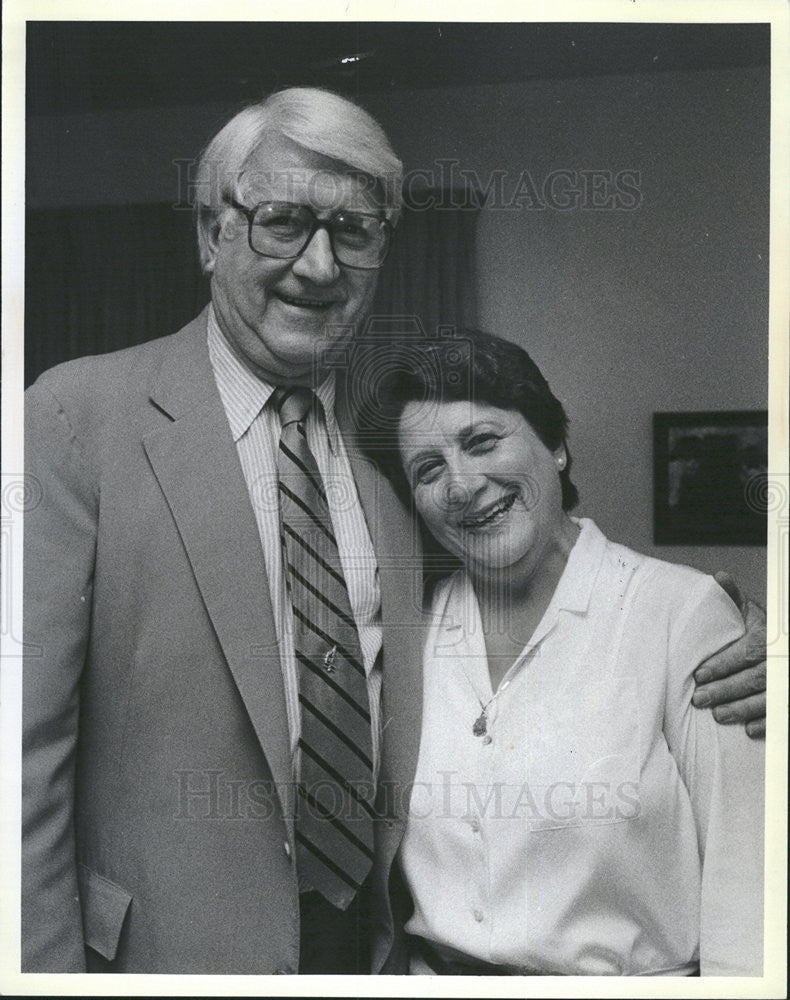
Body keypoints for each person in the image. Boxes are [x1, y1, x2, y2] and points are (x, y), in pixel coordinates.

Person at [22, 87, 766, 975]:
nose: (319, 264)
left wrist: (743, 630)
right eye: (283, 221)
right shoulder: (78, 415)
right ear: (209, 235)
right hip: (161, 960)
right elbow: (19, 749)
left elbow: (544, 607)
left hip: (372, 953)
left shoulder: (389, 458)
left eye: (354, 231)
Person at [357, 329, 765, 976]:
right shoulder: (411, 634)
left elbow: (752, 887)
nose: (462, 484)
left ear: (556, 445)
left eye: (482, 441)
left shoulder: (681, 615)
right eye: (428, 470)